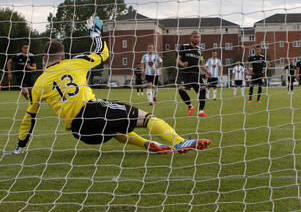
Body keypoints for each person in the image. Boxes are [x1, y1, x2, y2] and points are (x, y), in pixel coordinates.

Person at [7, 17, 210, 155]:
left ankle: (150, 144)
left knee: (116, 130)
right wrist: (96, 34)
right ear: (62, 56)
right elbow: (103, 54)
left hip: (81, 133)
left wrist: (20, 146)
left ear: (44, 59)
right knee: (147, 118)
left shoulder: (39, 83)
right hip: (92, 111)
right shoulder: (75, 62)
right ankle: (179, 141)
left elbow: (29, 117)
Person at [177, 31, 211, 117]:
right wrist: (182, 64)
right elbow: (178, 59)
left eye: (198, 37)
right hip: (185, 74)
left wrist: (207, 71)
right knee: (181, 90)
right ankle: (190, 106)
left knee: (203, 89)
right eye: (194, 37)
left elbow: (201, 63)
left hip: (196, 74)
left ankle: (201, 111)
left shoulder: (200, 50)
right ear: (191, 38)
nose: (196, 39)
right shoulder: (184, 47)